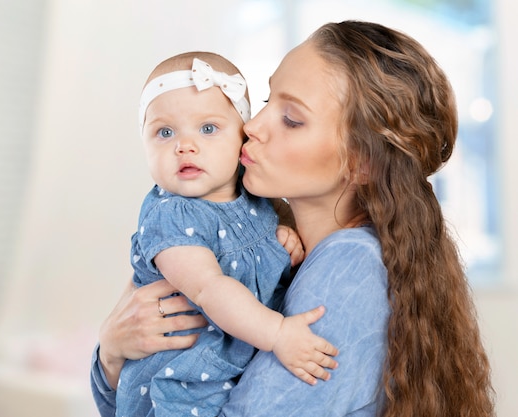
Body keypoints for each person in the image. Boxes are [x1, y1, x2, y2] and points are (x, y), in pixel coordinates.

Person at [92, 21, 495, 417]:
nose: (251, 126)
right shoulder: (259, 236)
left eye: (292, 119)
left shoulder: (349, 267)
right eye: (268, 101)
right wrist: (111, 351)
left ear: (362, 162)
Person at [110, 51, 339, 417]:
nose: (184, 145)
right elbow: (209, 288)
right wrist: (278, 333)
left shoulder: (256, 200)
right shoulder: (170, 214)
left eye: (207, 129)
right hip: (183, 384)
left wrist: (279, 241)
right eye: (164, 132)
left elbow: (252, 255)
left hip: (230, 368)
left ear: (241, 138)